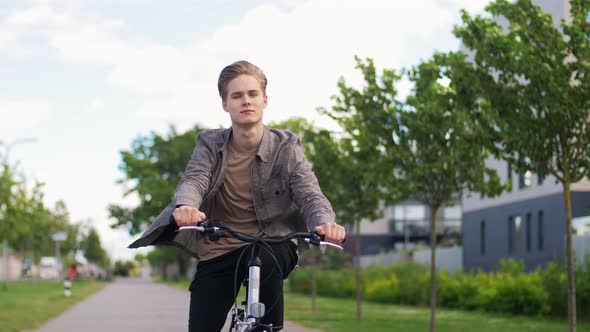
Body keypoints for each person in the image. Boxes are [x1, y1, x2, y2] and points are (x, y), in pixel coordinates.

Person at [129, 60, 345, 331]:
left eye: (253, 94)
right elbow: (195, 179)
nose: (246, 101)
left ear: (265, 100)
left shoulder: (286, 147)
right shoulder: (209, 143)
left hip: (273, 241)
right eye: (237, 95)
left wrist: (324, 222)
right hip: (221, 244)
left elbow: (309, 193)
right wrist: (186, 206)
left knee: (266, 259)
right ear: (225, 104)